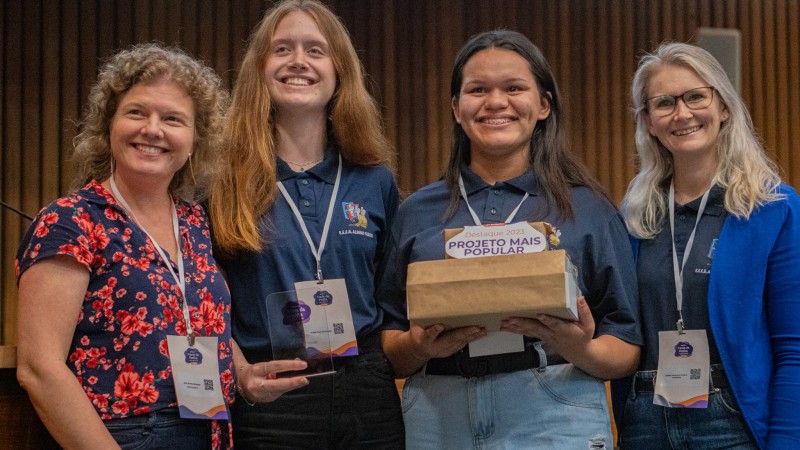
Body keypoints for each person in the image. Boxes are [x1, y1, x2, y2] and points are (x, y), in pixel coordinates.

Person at [376, 29, 641, 449]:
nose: (495, 102)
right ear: (456, 109)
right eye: (477, 90)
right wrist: (418, 346)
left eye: (514, 88)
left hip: (555, 403)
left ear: (543, 105)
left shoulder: (588, 208)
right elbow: (388, 346)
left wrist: (581, 350)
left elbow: (626, 345)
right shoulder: (415, 212)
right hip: (436, 411)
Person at [15, 43, 260, 450]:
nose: (152, 129)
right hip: (123, 436)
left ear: (194, 140)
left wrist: (244, 372)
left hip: (211, 427)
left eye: (172, 119)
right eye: (136, 112)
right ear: (108, 124)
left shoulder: (194, 221)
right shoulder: (70, 220)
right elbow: (39, 369)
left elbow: (194, 320)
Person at [206, 0, 403, 448]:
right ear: (259, 70)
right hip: (273, 398)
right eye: (282, 49)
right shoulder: (218, 184)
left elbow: (393, 295)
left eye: (315, 50)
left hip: (367, 392)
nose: (299, 61)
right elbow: (201, 303)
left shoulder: (374, 179)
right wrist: (238, 374)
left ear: (339, 73)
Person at [618, 42, 800, 449]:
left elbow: (794, 347)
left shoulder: (774, 209)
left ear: (724, 107)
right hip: (645, 419)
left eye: (696, 96)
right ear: (648, 121)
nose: (682, 113)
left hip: (732, 421)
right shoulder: (633, 218)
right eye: (664, 103)